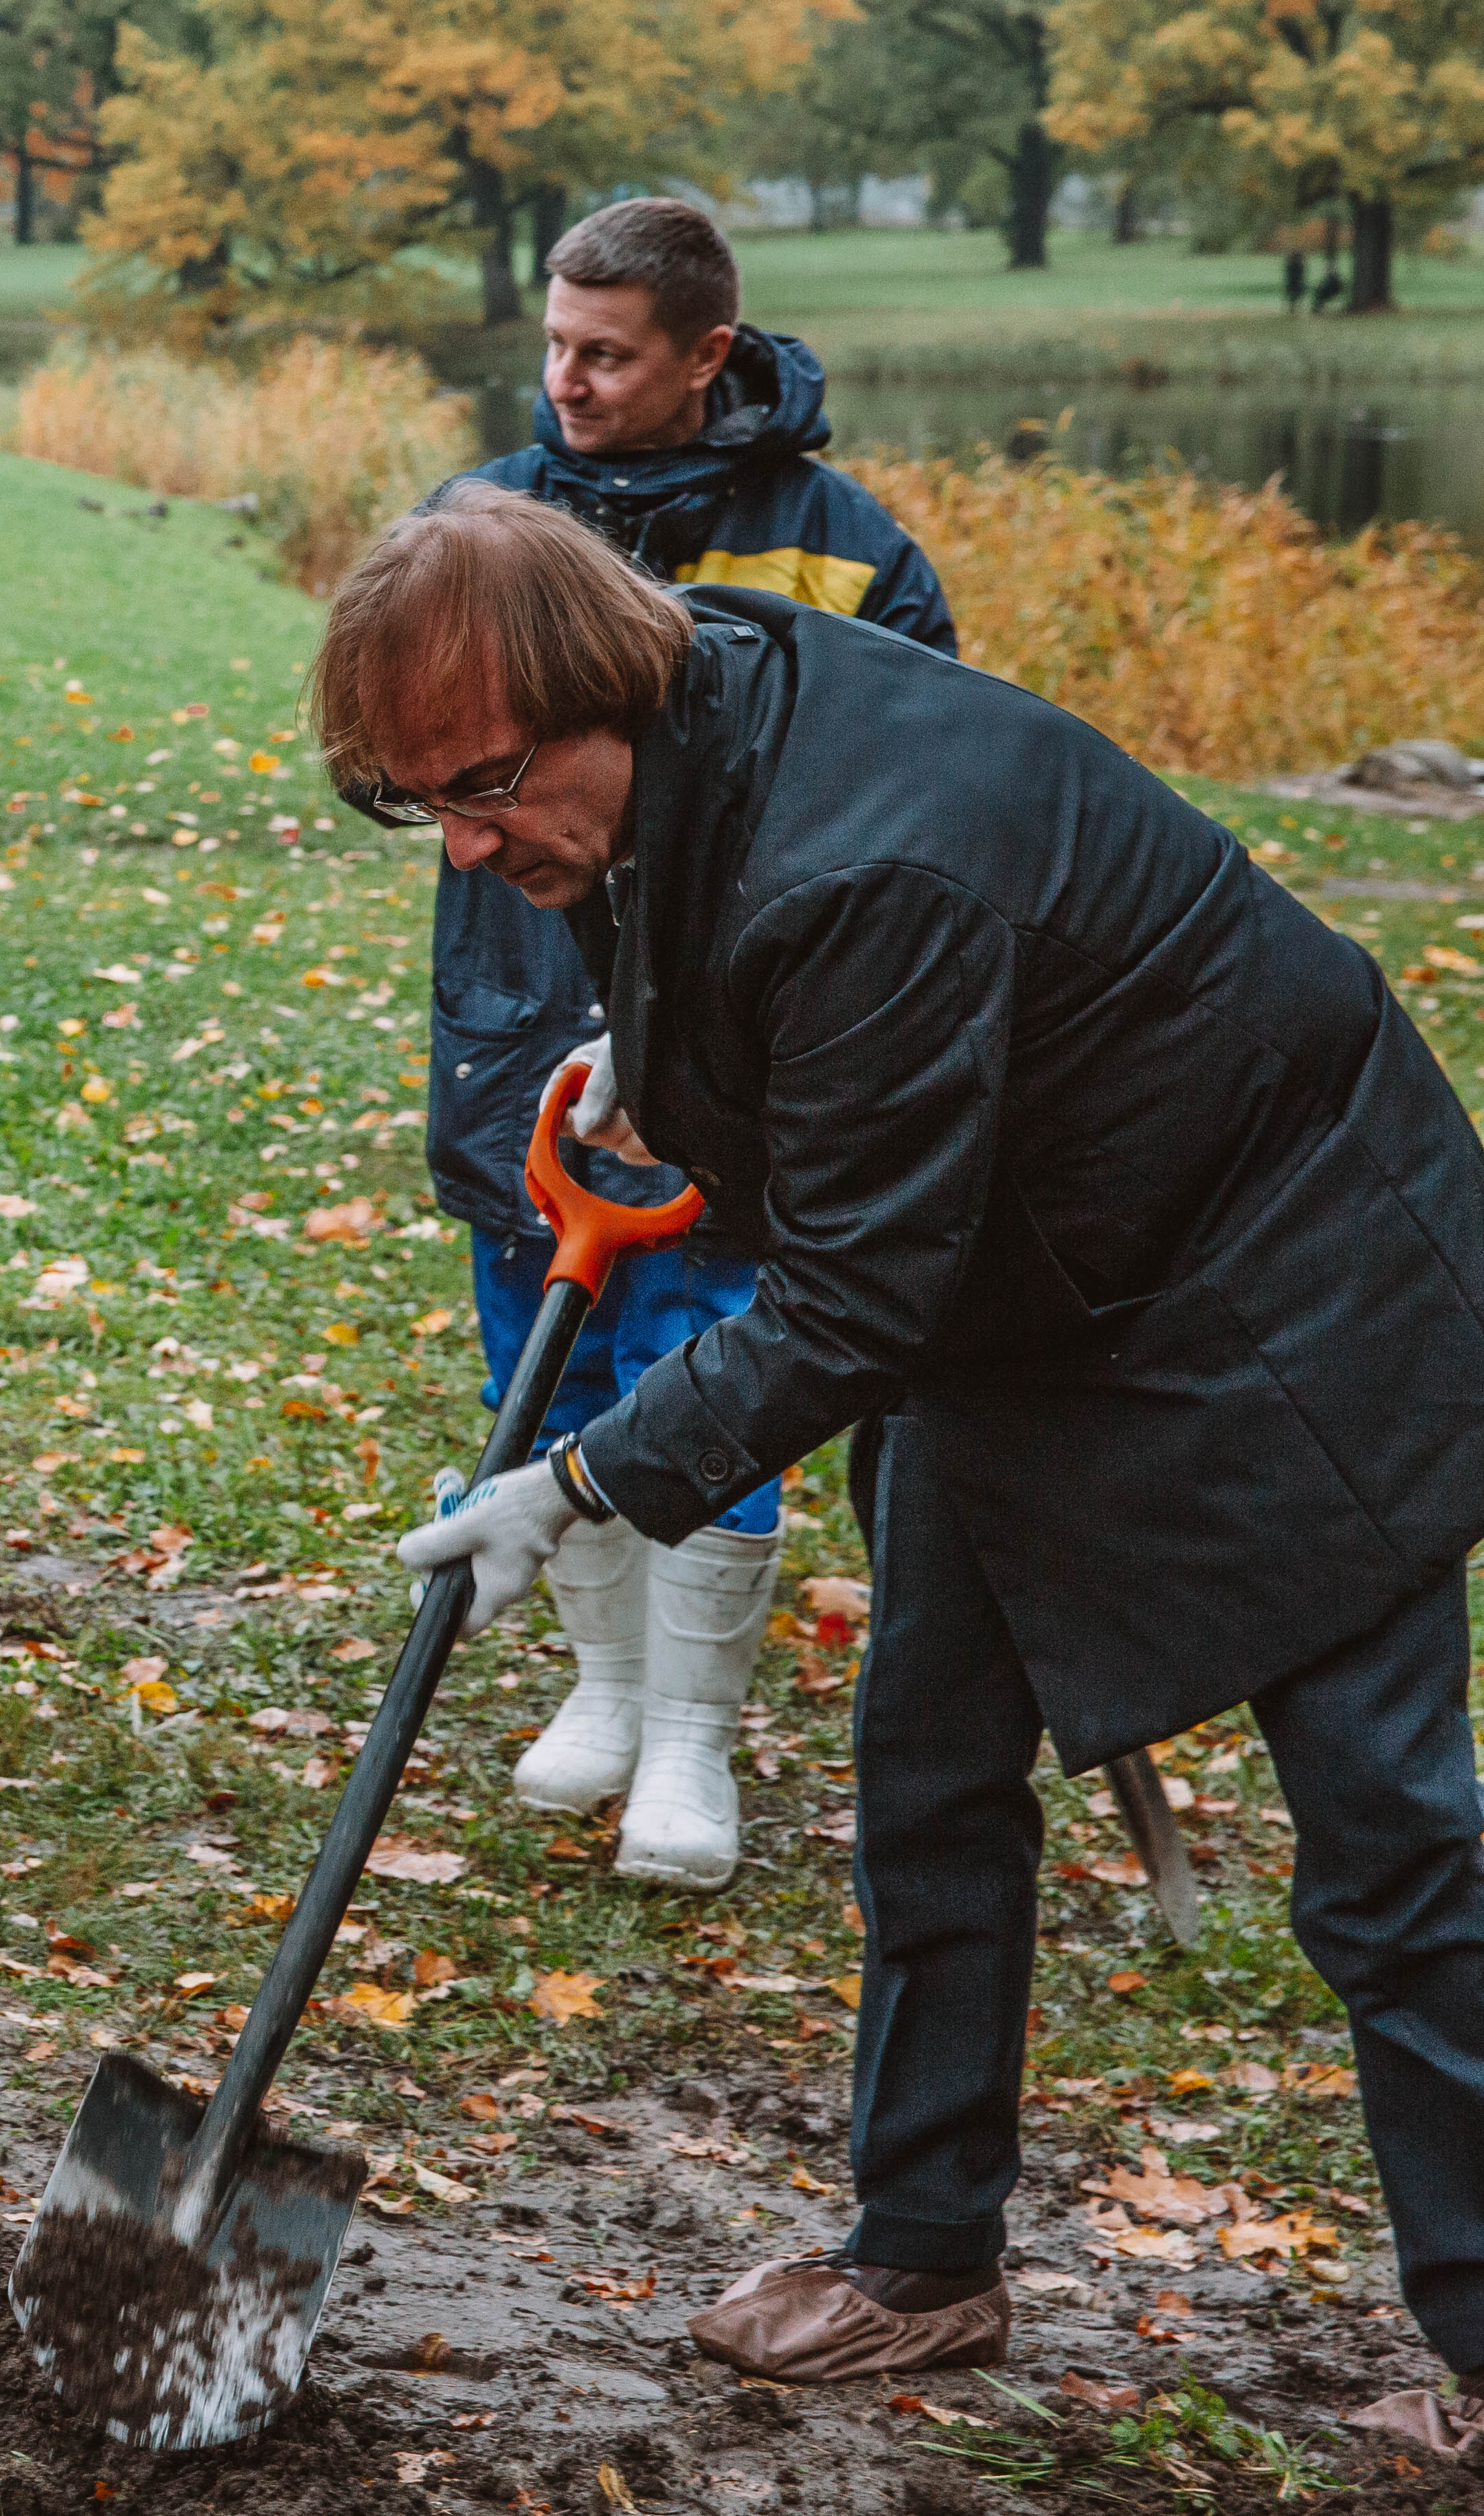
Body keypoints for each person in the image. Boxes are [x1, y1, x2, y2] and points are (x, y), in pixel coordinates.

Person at [356, 485, 1484, 2451]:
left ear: (593, 692)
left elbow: (855, 1299)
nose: (459, 844)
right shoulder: (688, 712)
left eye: (477, 787)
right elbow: (728, 946)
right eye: (411, 805)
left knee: (1388, 1845)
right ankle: (920, 2253)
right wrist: (676, 1044)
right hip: (1027, 1275)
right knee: (927, 1764)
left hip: (1284, 1277)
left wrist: (582, 1483)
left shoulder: (860, 857)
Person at [429, 196, 957, 1892]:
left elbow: (913, 806)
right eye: (553, 347)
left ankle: (689, 1742)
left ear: (706, 356)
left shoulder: (836, 544)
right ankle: (602, 1690)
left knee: (706, 1377)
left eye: (607, 354)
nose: (565, 382)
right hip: (517, 1028)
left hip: (743, 1044)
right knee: (548, 1373)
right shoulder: (483, 518)